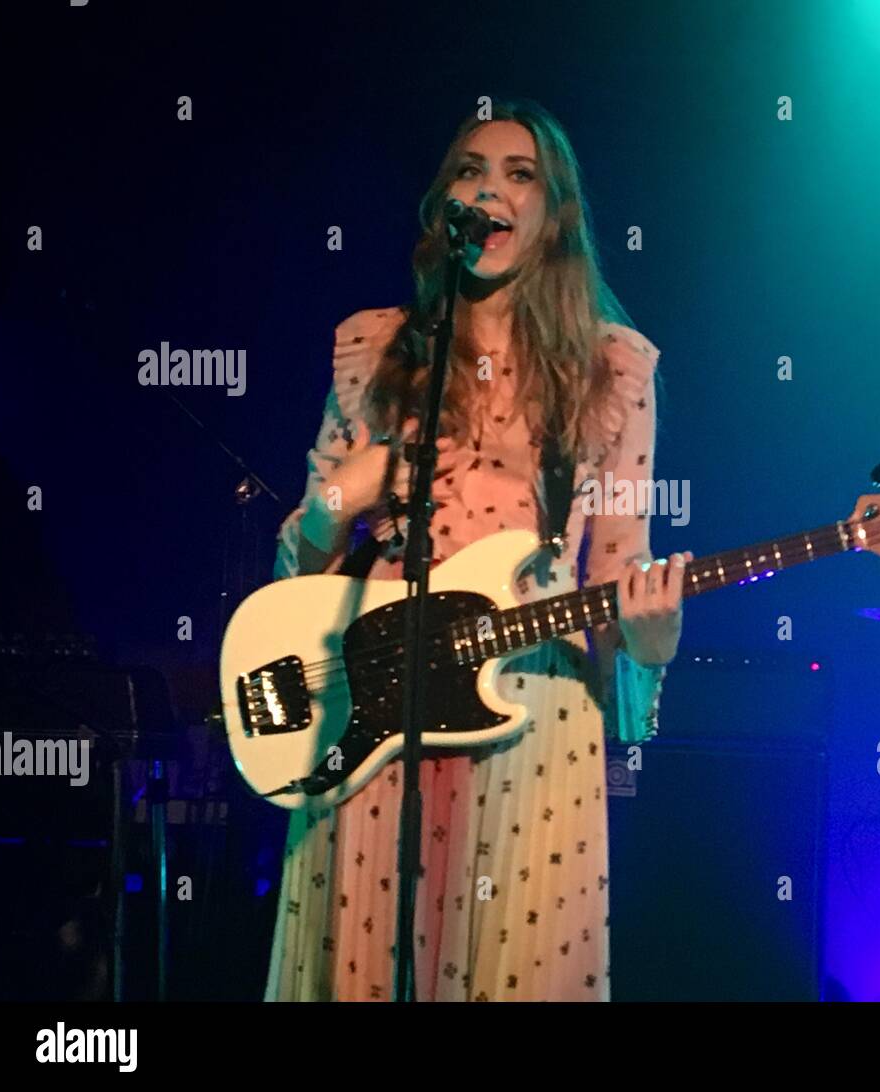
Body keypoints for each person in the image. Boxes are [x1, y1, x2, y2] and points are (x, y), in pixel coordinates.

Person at [263, 99, 689, 1001]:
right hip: (379, 706)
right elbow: (300, 561)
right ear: (442, 208)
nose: (489, 189)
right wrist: (347, 491)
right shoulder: (375, 350)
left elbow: (619, 579)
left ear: (554, 215)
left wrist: (653, 641)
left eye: (519, 174)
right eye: (469, 171)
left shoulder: (614, 370)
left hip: (533, 718)